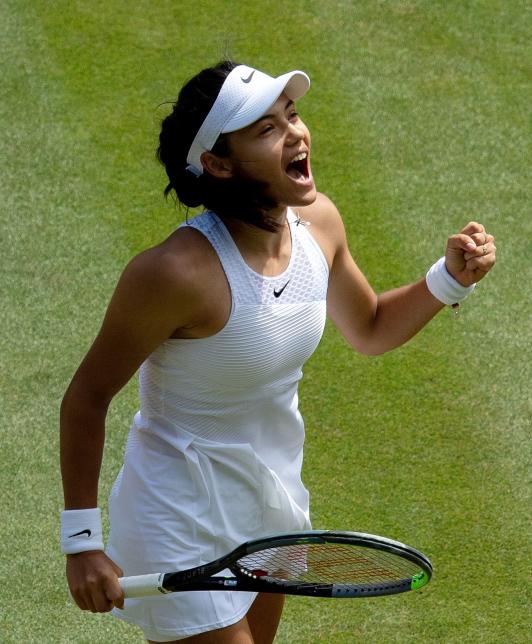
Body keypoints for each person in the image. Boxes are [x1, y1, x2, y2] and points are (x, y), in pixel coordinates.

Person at [59, 60, 496, 643]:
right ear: (217, 163)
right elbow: (87, 397)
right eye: (265, 129)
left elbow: (369, 326)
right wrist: (82, 543)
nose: (295, 132)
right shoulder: (174, 273)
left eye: (291, 115)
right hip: (178, 516)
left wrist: (449, 279)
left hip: (271, 506)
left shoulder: (319, 224)